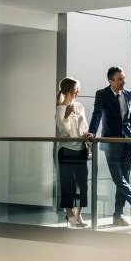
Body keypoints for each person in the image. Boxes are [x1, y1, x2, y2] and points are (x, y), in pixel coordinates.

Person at [88, 67, 131, 226]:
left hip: (129, 143)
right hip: (111, 142)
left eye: (123, 78)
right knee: (117, 177)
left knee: (124, 178)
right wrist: (92, 131)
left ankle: (117, 215)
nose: (123, 82)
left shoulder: (129, 94)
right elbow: (97, 114)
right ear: (110, 81)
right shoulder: (102, 94)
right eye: (119, 79)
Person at [55, 77, 93, 228]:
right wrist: (65, 116)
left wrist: (87, 135)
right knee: (68, 184)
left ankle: (78, 214)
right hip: (66, 150)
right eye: (76, 89)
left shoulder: (80, 106)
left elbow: (85, 127)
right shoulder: (60, 108)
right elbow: (64, 132)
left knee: (83, 185)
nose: (78, 92)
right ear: (69, 90)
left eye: (78, 89)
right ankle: (69, 213)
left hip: (81, 149)